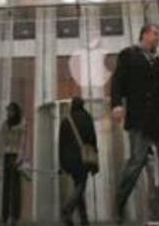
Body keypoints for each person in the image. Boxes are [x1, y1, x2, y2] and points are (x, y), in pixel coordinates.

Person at [111, 24, 159, 226]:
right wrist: (117, 104)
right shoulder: (128, 55)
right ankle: (118, 207)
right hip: (139, 119)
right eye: (155, 34)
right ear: (144, 34)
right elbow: (117, 81)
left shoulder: (158, 61)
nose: (158, 38)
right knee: (136, 164)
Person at [59, 96, 98, 226]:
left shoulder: (66, 120)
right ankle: (68, 208)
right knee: (81, 186)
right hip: (83, 158)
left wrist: (62, 162)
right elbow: (92, 140)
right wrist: (95, 161)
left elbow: (61, 143)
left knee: (78, 185)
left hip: (69, 159)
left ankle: (83, 217)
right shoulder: (87, 119)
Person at [0, 102, 27, 226]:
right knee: (6, 187)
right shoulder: (5, 124)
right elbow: (2, 139)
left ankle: (15, 216)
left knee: (15, 188)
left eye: (11, 111)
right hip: (7, 156)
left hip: (16, 156)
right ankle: (5, 215)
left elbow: (23, 142)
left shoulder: (22, 124)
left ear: (16, 111)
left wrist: (20, 158)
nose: (9, 113)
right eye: (8, 111)